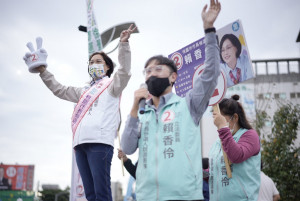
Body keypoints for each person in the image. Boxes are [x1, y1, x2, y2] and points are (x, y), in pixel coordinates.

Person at [121, 1, 221, 200]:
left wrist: (209, 30)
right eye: (148, 71)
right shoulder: (142, 113)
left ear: (173, 77)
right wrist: (134, 108)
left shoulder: (189, 104)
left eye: (158, 69)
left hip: (183, 195)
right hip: (146, 196)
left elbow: (210, 73)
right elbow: (127, 147)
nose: (151, 74)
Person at [23, 25, 136, 201]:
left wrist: (123, 45)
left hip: (100, 142)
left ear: (107, 67)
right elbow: (59, 90)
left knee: (102, 192)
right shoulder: (84, 90)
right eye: (91, 62)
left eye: (98, 62)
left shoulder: (112, 86)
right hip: (79, 144)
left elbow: (124, 72)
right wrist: (43, 71)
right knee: (90, 194)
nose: (94, 65)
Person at [210, 94, 261, 201]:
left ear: (235, 117)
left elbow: (236, 156)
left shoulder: (250, 135)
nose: (217, 123)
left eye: (221, 119)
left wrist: (223, 128)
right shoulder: (218, 142)